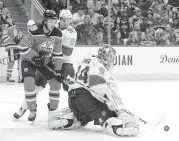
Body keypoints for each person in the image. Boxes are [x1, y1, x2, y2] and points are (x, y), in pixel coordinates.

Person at [48, 44, 140, 137]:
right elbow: (97, 86)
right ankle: (118, 127)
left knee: (85, 118)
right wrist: (115, 107)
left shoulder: (87, 61)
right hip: (87, 100)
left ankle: (67, 120)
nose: (111, 61)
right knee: (110, 115)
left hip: (72, 101)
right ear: (106, 57)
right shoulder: (98, 65)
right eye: (111, 58)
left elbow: (74, 85)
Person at [13, 9, 77, 121]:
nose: (66, 22)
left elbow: (67, 53)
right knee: (34, 86)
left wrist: (57, 68)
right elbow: (30, 42)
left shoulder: (70, 32)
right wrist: (36, 52)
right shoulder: (48, 27)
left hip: (64, 63)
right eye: (64, 20)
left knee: (70, 87)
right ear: (60, 20)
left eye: (68, 20)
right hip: (45, 60)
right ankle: (25, 107)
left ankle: (75, 110)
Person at [2, 14, 20, 82]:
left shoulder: (14, 26)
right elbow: (4, 37)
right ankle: (8, 77)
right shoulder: (5, 27)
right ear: (6, 20)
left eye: (10, 18)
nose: (9, 19)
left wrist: (18, 37)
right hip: (11, 46)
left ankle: (20, 76)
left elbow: (16, 35)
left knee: (19, 60)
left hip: (16, 45)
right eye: (8, 19)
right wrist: (13, 39)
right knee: (11, 61)